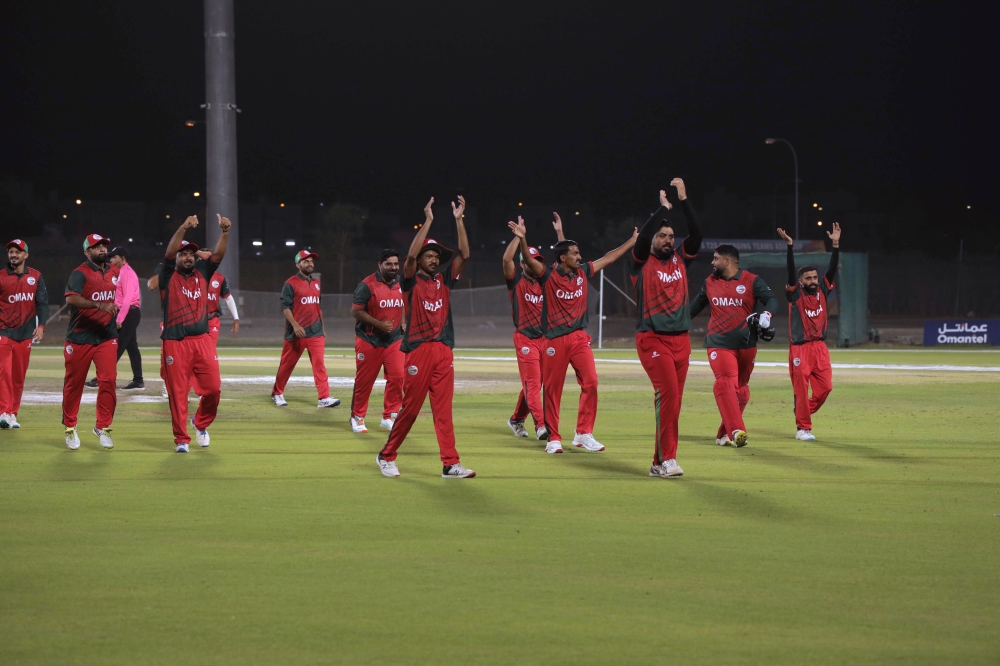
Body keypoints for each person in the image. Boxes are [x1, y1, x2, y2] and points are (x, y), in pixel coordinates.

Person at [512, 215, 637, 455]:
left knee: (591, 382)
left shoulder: (582, 272)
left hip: (579, 338)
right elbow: (528, 259)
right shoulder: (547, 276)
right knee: (553, 389)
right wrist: (523, 238)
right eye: (575, 253)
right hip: (555, 340)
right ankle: (554, 438)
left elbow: (609, 258)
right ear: (562, 258)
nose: (580, 257)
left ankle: (583, 433)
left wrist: (631, 242)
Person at [376, 196, 475, 479]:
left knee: (444, 411)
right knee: (410, 409)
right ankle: (386, 456)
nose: (433, 259)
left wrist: (458, 219)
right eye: (428, 255)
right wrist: (429, 219)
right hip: (418, 351)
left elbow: (465, 255)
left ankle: (450, 464)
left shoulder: (443, 281)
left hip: (443, 351)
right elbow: (408, 257)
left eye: (436, 257)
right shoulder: (409, 279)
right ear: (419, 259)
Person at [628, 179, 702, 478]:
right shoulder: (641, 262)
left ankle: (659, 462)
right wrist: (663, 209)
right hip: (652, 339)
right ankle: (667, 459)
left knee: (674, 403)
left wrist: (684, 199)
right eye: (663, 235)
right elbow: (643, 235)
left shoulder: (681, 259)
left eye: (671, 236)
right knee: (668, 394)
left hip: (681, 341)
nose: (668, 240)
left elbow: (697, 233)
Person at [689, 244, 778, 448]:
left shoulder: (751, 280)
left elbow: (772, 300)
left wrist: (767, 314)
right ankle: (737, 430)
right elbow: (692, 310)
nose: (712, 262)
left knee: (742, 391)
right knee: (725, 382)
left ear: (727, 261)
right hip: (718, 342)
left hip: (747, 344)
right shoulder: (709, 282)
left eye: (715, 258)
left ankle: (723, 434)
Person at [158, 214, 231, 453]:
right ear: (176, 257)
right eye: (183, 253)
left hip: (202, 341)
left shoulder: (203, 272)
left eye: (191, 254)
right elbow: (169, 252)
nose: (188, 257)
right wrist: (183, 227)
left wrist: (225, 232)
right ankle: (181, 439)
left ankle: (199, 423)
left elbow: (217, 255)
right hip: (175, 343)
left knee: (213, 389)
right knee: (178, 393)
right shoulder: (167, 275)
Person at [502, 214, 565, 441]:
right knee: (532, 384)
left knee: (536, 384)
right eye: (528, 259)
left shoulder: (547, 281)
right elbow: (506, 260)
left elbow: (565, 260)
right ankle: (541, 425)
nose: (532, 262)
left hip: (545, 340)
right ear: (522, 263)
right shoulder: (516, 282)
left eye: (535, 259)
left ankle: (517, 419)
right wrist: (519, 238)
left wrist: (560, 234)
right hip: (525, 338)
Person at [777, 223, 841, 441]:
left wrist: (835, 244)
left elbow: (832, 269)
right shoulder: (795, 295)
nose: (813, 281)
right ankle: (803, 428)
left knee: (826, 388)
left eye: (815, 278)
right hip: (800, 349)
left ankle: (803, 411)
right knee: (801, 390)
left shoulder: (822, 289)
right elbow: (790, 272)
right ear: (801, 281)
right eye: (809, 279)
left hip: (820, 348)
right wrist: (789, 247)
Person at [62, 234, 120, 450]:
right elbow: (70, 298)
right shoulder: (80, 273)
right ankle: (70, 427)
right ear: (87, 252)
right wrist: (99, 305)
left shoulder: (114, 271)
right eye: (97, 247)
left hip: (106, 336)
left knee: (108, 380)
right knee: (73, 384)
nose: (103, 249)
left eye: (105, 245)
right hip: (80, 337)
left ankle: (102, 427)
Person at [270, 250, 340, 408]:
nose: (310, 264)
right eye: (306, 261)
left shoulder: (316, 283)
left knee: (319, 364)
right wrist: (295, 325)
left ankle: (324, 398)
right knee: (287, 364)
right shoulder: (290, 283)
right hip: (296, 333)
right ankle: (277, 393)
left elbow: (318, 308)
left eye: (311, 261)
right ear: (298, 264)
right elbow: (285, 307)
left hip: (315, 332)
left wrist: (323, 329)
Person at [350, 248, 404, 433]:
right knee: (365, 382)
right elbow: (356, 311)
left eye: (396, 264)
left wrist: (403, 321)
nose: (393, 267)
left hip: (394, 340)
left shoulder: (400, 283)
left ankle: (389, 416)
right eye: (388, 264)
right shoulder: (367, 285)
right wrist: (379, 324)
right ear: (379, 265)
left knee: (398, 377)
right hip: (369, 340)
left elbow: (405, 303)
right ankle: (357, 417)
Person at [0, 239, 48, 429]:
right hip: (4, 333)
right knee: (4, 373)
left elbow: (42, 303)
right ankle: (3, 412)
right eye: (11, 251)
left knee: (18, 377)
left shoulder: (35, 276)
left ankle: (13, 414)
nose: (13, 255)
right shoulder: (1, 276)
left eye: (18, 252)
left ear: (25, 255)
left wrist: (42, 326)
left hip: (26, 334)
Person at [85, 246, 143, 390]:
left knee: (116, 347)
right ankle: (138, 380)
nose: (111, 259)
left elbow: (128, 298)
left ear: (123, 259)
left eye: (114, 257)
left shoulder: (127, 273)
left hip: (129, 313)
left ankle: (101, 378)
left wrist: (119, 319)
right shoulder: (119, 272)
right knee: (131, 347)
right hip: (127, 313)